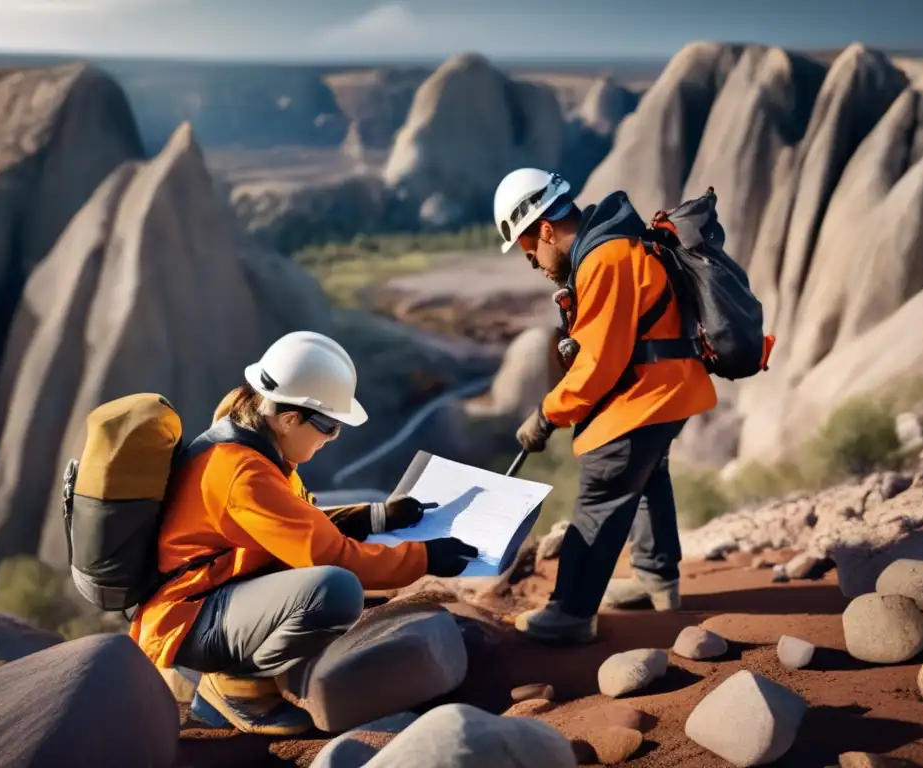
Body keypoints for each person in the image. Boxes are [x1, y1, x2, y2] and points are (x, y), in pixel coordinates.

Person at [129, 331, 478, 734]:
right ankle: (236, 687)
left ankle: (229, 685)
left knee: (334, 586)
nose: (333, 437)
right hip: (188, 619)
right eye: (329, 425)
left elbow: (298, 523)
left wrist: (377, 517)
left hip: (211, 599)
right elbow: (330, 557)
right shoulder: (244, 471)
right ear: (290, 418)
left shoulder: (254, 446)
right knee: (334, 590)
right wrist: (426, 558)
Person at [492, 168, 717, 644]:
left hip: (644, 398)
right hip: (667, 391)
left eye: (530, 249)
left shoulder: (605, 258)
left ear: (547, 229)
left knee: (601, 489)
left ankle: (571, 612)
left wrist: (547, 414)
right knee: (648, 475)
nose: (532, 261)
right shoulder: (614, 244)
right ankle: (658, 579)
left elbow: (597, 365)